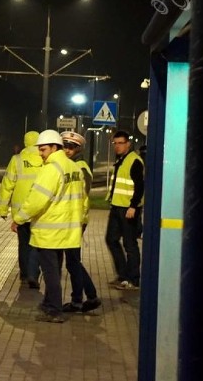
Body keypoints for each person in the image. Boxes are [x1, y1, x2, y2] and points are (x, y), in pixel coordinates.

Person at [12, 130, 85, 323]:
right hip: (67, 230)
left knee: (51, 272)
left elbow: (36, 200)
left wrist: (19, 218)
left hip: (50, 230)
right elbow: (82, 200)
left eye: (43, 149)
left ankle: (54, 310)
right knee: (56, 270)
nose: (40, 153)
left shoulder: (51, 169)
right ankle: (48, 303)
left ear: (55, 147)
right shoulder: (73, 168)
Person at [59, 131, 101, 313]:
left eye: (71, 147)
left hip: (75, 219)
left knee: (73, 261)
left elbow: (82, 195)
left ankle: (82, 299)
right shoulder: (67, 165)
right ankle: (88, 297)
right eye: (65, 145)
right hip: (72, 219)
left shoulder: (80, 167)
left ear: (78, 149)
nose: (67, 149)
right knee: (73, 261)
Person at [0, 130, 43, 288]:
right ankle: (34, 273)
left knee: (24, 244)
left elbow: (6, 186)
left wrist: (2, 209)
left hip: (21, 212)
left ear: (25, 142)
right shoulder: (45, 160)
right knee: (38, 244)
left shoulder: (16, 160)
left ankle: (25, 275)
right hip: (40, 211)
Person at [106, 130, 144, 290]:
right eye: (115, 143)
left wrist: (133, 206)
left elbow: (140, 186)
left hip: (128, 209)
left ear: (128, 144)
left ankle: (133, 280)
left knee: (130, 244)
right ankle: (123, 275)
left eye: (120, 143)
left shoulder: (134, 161)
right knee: (111, 239)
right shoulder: (121, 160)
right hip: (117, 207)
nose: (117, 146)